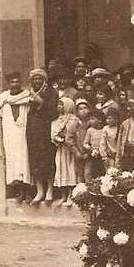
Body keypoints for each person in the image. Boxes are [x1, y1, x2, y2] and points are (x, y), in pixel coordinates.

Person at [26, 68, 59, 204]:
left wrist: (41, 102)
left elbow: (54, 112)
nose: (37, 81)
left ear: (44, 80)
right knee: (35, 161)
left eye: (40, 78)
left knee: (48, 160)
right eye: (35, 79)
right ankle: (40, 190)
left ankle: (49, 190)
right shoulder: (28, 93)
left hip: (46, 131)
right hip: (33, 132)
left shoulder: (51, 92)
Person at [51, 97, 81, 207]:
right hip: (61, 149)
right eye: (58, 105)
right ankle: (63, 195)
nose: (59, 107)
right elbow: (53, 135)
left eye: (61, 105)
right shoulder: (56, 121)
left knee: (70, 169)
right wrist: (59, 139)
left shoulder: (74, 120)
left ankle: (70, 195)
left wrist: (66, 137)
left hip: (70, 150)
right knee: (61, 169)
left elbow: (75, 134)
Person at [82, 110, 109, 180]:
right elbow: (85, 143)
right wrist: (91, 149)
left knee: (104, 172)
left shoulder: (105, 129)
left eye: (93, 119)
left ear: (100, 120)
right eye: (90, 119)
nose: (90, 121)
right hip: (93, 154)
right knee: (88, 172)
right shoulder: (90, 130)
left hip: (103, 154)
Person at [103, 107, 122, 171]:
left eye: (110, 118)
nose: (107, 120)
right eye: (107, 118)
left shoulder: (120, 128)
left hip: (119, 155)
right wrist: (104, 156)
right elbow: (103, 143)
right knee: (110, 171)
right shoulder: (106, 129)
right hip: (110, 155)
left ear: (116, 119)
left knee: (118, 171)